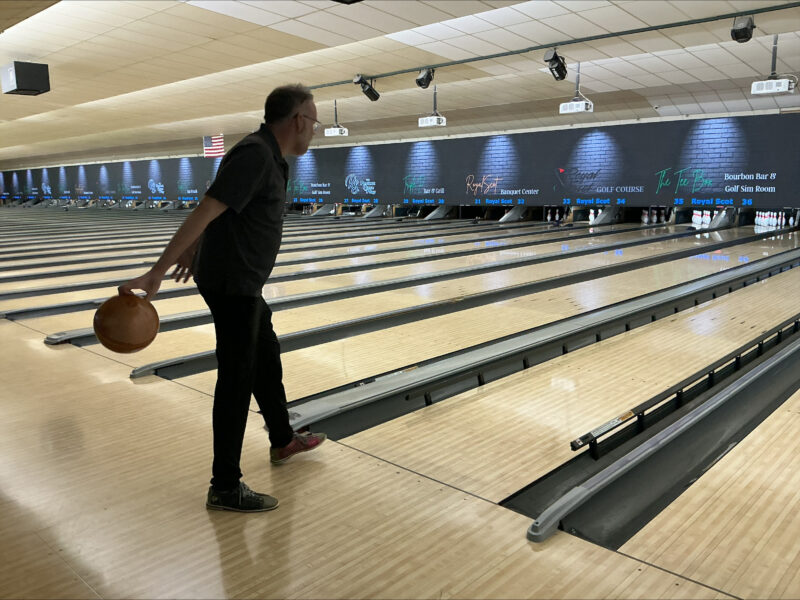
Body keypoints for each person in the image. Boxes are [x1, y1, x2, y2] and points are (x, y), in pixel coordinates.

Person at [119, 84, 326, 513]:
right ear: (298, 121)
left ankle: (283, 439)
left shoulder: (269, 156)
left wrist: (196, 250)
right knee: (237, 378)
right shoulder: (254, 154)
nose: (314, 130)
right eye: (314, 120)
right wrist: (158, 271)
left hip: (242, 282)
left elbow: (225, 206)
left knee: (265, 356)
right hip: (234, 286)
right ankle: (225, 486)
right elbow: (208, 208)